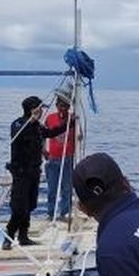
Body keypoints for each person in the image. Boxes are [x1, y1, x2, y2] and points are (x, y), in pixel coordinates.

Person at [5, 95, 70, 249]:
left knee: (29, 205)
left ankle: (23, 236)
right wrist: (31, 121)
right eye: (39, 109)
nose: (42, 112)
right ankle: (8, 236)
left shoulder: (38, 127)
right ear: (32, 110)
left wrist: (69, 124)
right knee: (19, 207)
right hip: (21, 172)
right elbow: (18, 134)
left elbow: (51, 133)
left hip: (34, 171)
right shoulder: (18, 124)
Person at [43, 91, 80, 221]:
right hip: (53, 158)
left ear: (69, 107)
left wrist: (77, 129)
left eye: (65, 106)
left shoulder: (73, 120)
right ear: (57, 105)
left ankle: (64, 213)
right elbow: (43, 134)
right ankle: (50, 213)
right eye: (60, 105)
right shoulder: (50, 118)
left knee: (67, 188)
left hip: (67, 158)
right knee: (52, 188)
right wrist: (43, 150)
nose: (62, 108)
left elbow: (79, 136)